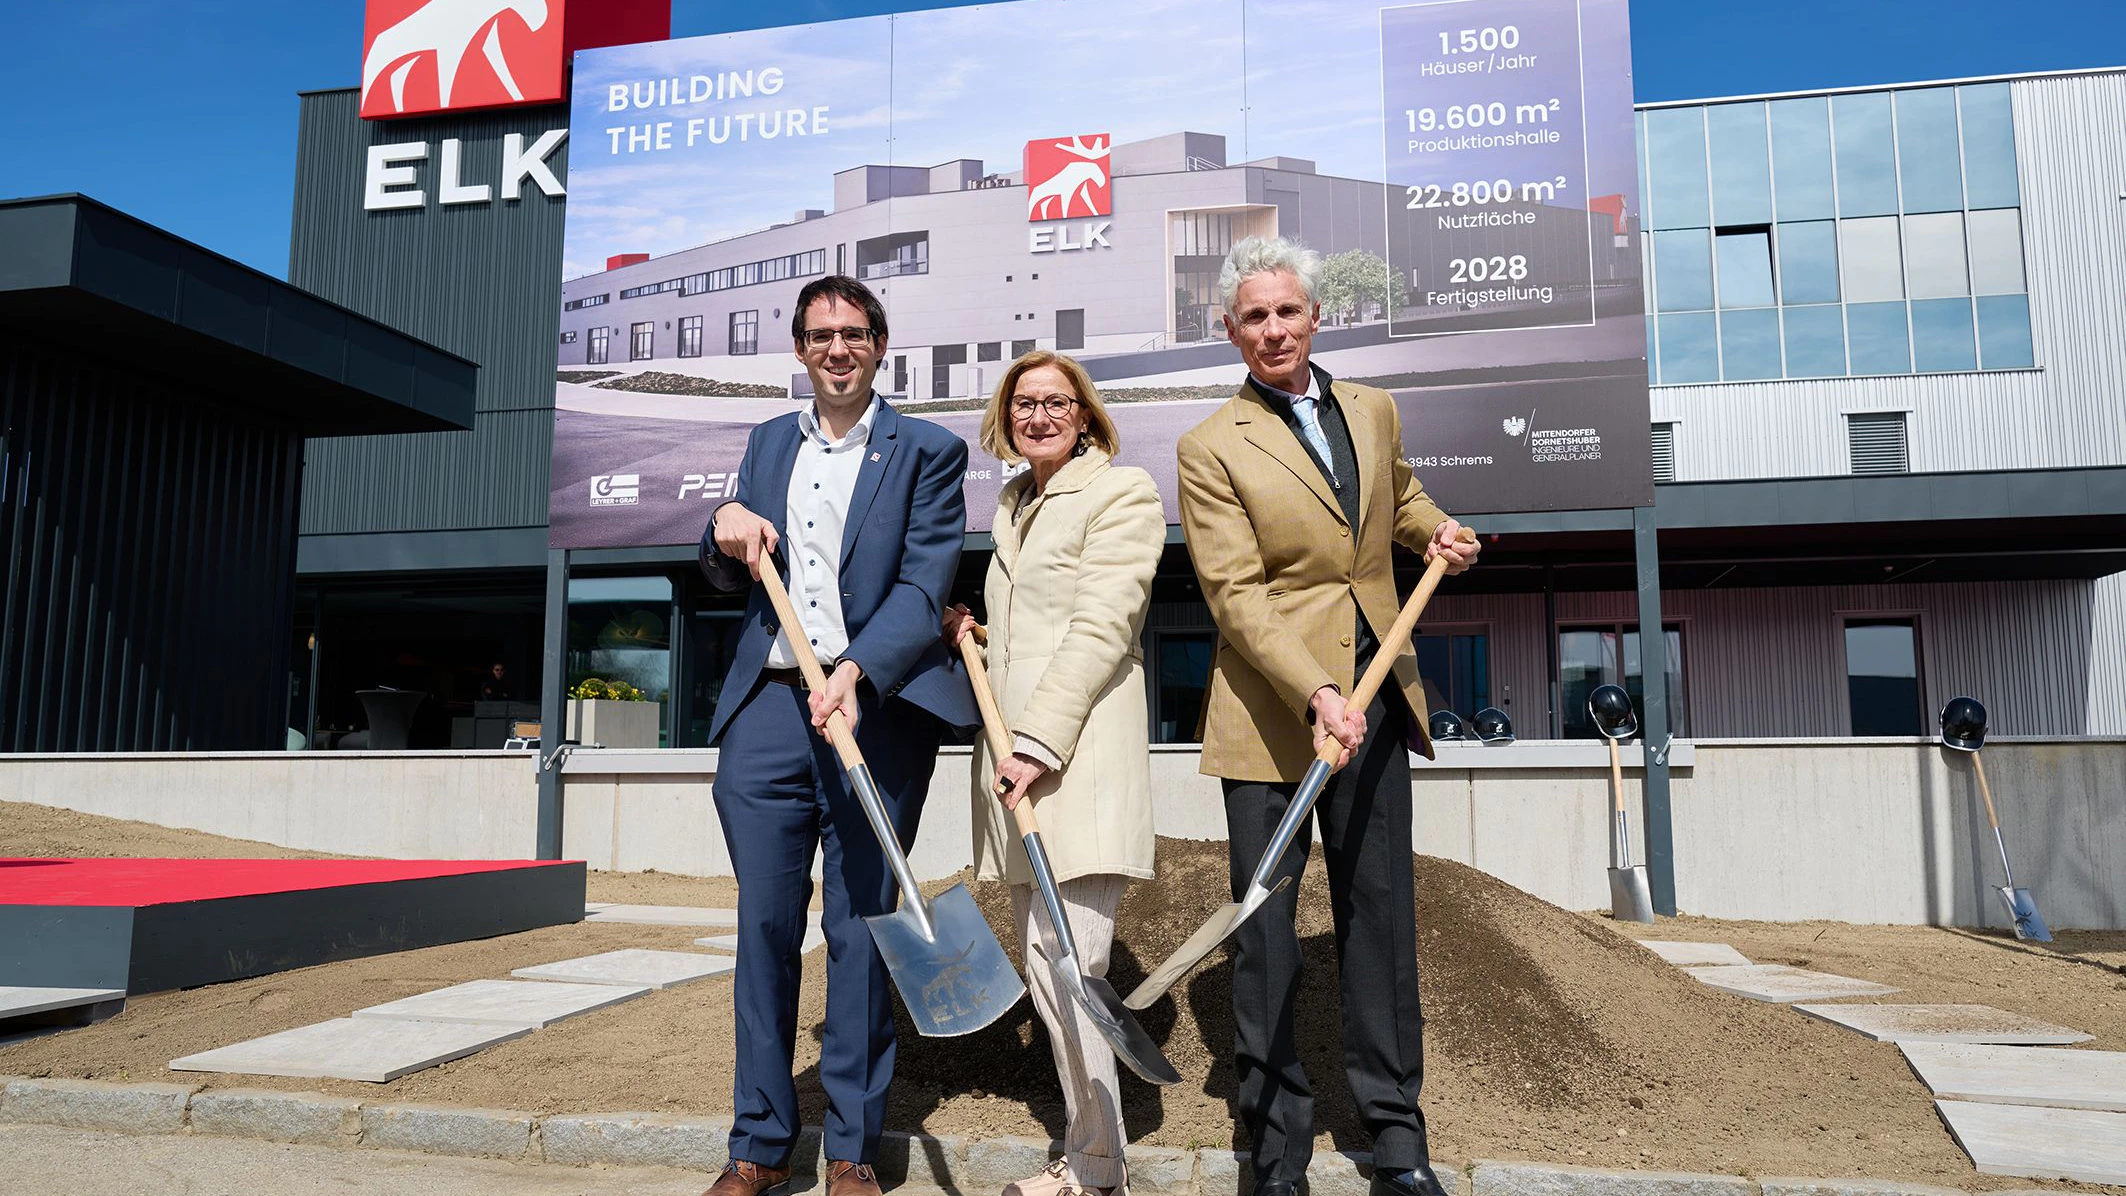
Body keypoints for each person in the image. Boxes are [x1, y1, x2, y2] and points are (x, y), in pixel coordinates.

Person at [1174, 236, 1479, 1196]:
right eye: (1253, 317)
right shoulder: (1211, 444)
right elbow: (1235, 594)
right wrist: (1314, 691)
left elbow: (1403, 506)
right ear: (1231, 332)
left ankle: (1397, 1139)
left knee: (1380, 924)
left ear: (1317, 318)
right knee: (1264, 940)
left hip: (1378, 701)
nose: (1273, 330)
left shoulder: (1375, 411)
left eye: (1287, 311)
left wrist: (1440, 532)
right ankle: (1274, 1153)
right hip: (1275, 718)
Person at [696, 274, 978, 1196]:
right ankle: (759, 1145)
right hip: (771, 711)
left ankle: (853, 1149)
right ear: (799, 348)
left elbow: (923, 584)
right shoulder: (768, 441)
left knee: (860, 930)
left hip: (876, 709)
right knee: (764, 926)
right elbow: (730, 568)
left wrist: (856, 673)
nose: (837, 349)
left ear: (880, 344)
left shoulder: (927, 451)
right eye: (820, 335)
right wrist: (723, 522)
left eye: (854, 333)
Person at [942, 352, 1163, 1196]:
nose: (1039, 416)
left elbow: (1104, 624)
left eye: (1056, 402)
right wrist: (982, 633)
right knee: (1051, 968)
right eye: (1024, 403)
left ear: (1085, 413)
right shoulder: (1016, 504)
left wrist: (1036, 740)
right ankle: (1089, 1158)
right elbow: (1039, 631)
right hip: (1023, 768)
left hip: (1075, 763)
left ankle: (1097, 1169)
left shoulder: (1120, 492)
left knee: (1074, 971)